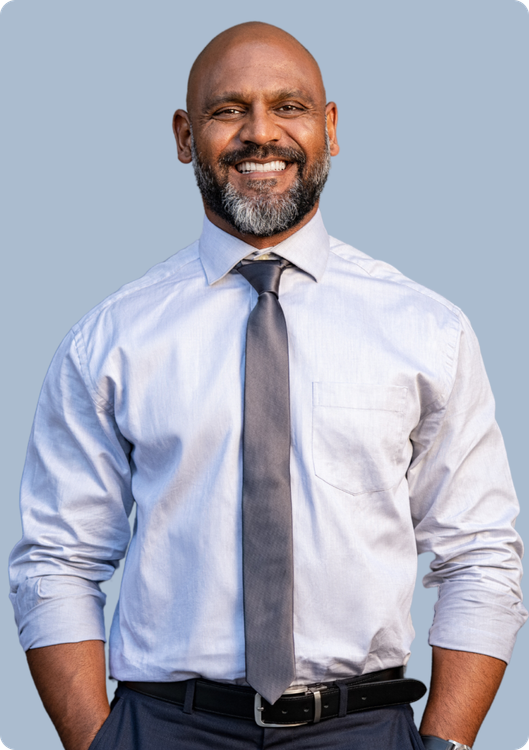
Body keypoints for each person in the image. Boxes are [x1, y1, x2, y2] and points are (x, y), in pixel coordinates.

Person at [8, 21, 526, 750]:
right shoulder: (111, 337)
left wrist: (443, 745)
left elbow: (478, 552)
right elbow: (56, 559)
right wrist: (98, 742)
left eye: (289, 107)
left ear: (330, 127)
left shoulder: (424, 328)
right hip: (163, 728)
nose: (260, 134)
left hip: (365, 729)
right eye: (228, 110)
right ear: (185, 135)